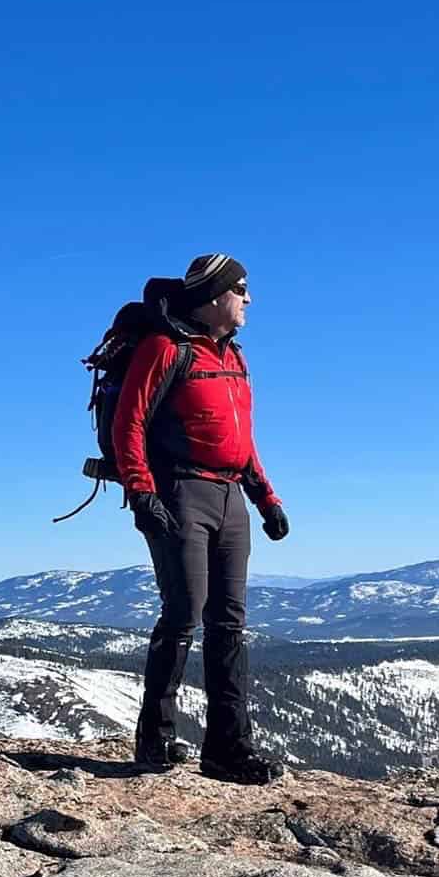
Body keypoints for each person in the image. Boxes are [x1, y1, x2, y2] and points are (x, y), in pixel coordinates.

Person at [112, 253, 289, 785]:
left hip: (231, 496)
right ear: (215, 297)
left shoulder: (233, 357)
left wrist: (266, 498)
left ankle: (228, 749)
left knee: (229, 623)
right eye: (242, 290)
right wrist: (143, 493)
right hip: (181, 492)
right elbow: (130, 424)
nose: (249, 300)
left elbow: (242, 441)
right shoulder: (165, 349)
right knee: (184, 611)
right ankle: (156, 739)